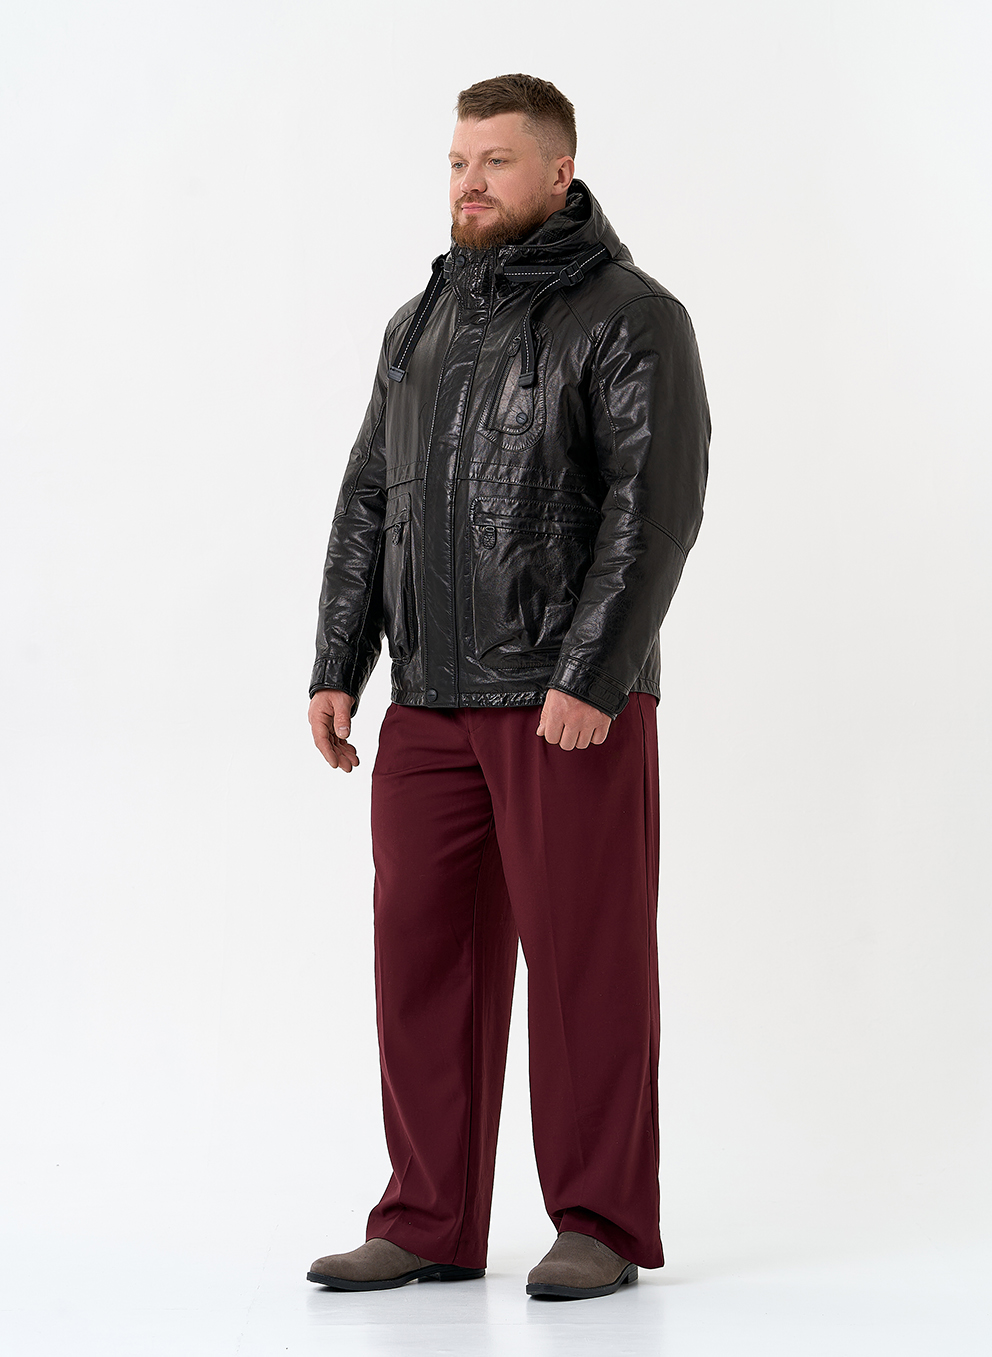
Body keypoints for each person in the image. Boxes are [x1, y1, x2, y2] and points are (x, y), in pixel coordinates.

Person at [305, 73, 710, 1301]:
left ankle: (596, 1220)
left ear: (558, 171)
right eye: (455, 161)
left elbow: (654, 507)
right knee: (421, 961)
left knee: (585, 964)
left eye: (494, 160)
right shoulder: (418, 321)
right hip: (427, 697)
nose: (467, 182)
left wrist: (592, 671)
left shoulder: (631, 315)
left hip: (561, 704)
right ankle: (427, 1215)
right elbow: (368, 495)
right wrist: (338, 661)